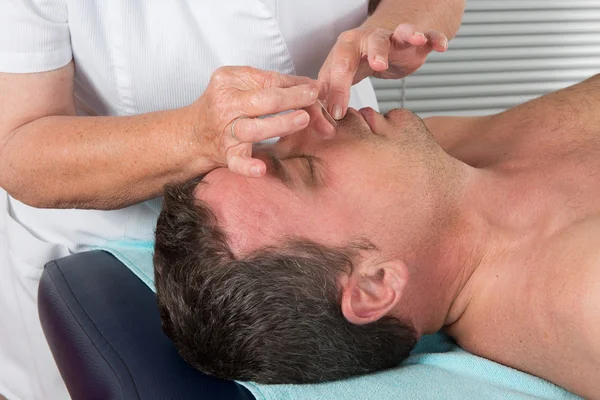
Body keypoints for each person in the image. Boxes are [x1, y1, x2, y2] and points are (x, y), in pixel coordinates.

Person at [0, 1, 466, 398]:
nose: (306, 124)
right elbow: (16, 146)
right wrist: (193, 137)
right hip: (100, 223)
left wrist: (399, 24)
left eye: (300, 167)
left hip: (336, 221)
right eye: (301, 169)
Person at [154, 74, 600, 399]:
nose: (311, 121)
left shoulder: (442, 160)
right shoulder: (585, 298)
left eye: (273, 145)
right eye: (306, 168)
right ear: (373, 286)